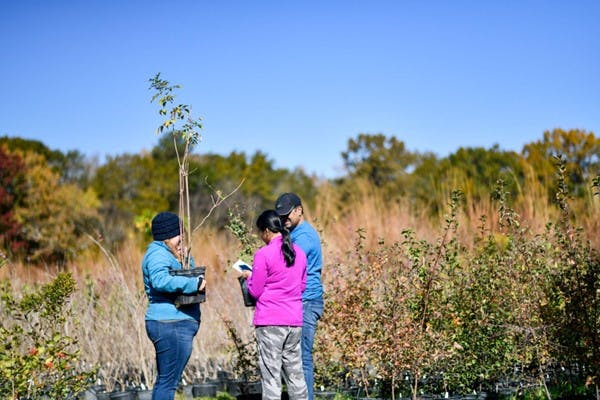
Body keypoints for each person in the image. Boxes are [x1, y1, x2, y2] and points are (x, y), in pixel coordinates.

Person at [241, 209, 308, 400]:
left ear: (266, 231)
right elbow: (302, 286)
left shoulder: (263, 254)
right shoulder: (300, 253)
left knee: (271, 378)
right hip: (294, 321)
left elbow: (255, 291)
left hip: (270, 322)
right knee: (296, 375)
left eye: (260, 233)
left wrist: (249, 277)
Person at [142, 211, 207, 400]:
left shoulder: (169, 253)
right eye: (180, 236)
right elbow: (160, 280)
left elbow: (188, 271)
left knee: (166, 381)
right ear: (168, 236)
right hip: (171, 324)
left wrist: (185, 257)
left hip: (173, 323)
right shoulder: (157, 254)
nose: (183, 239)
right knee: (168, 383)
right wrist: (194, 284)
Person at [274, 193, 323, 400]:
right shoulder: (294, 233)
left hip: (307, 301)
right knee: (292, 359)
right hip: (298, 301)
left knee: (302, 359)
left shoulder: (304, 237)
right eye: (281, 216)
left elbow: (287, 263)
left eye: (287, 215)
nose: (284, 219)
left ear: (299, 210)